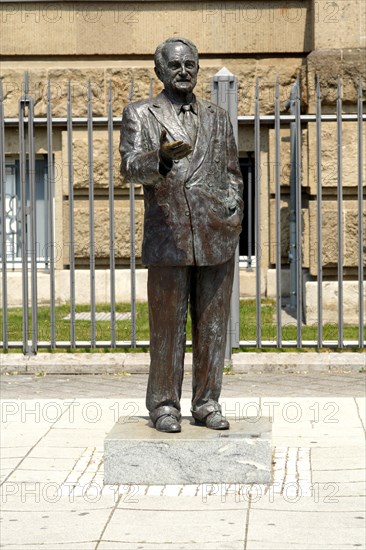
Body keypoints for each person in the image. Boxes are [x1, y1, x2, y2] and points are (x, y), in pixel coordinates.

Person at [120, 37, 244, 433]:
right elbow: (129, 167)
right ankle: (163, 405)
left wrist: (233, 211)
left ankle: (207, 402)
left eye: (190, 64)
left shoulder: (217, 117)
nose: (184, 70)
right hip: (168, 236)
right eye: (175, 65)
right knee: (167, 327)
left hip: (215, 237)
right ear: (159, 70)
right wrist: (160, 158)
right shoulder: (141, 114)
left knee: (212, 326)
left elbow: (231, 174)